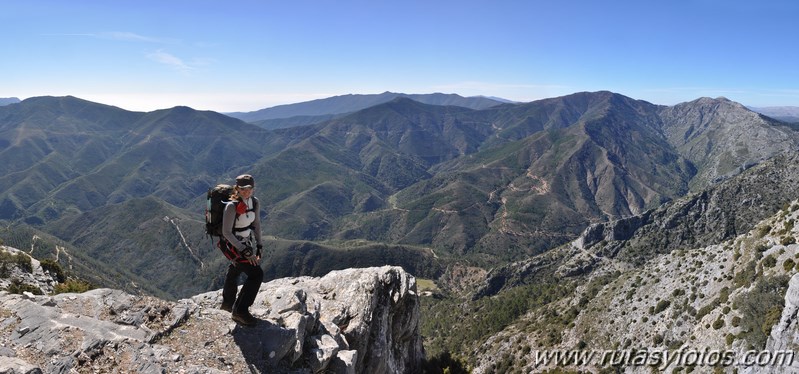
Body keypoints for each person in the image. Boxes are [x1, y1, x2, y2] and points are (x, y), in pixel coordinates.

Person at [218, 174, 264, 326]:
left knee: (236, 268)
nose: (246, 192)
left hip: (246, 242)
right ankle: (240, 311)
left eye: (249, 188)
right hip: (233, 244)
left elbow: (256, 224)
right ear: (237, 188)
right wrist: (244, 250)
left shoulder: (254, 202)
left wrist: (259, 245)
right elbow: (226, 233)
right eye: (243, 189)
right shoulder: (231, 206)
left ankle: (227, 303)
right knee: (256, 274)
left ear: (253, 188)